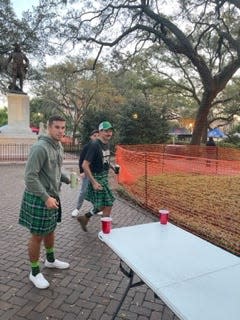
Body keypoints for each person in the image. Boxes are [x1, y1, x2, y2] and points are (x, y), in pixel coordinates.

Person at [19, 115, 71, 289]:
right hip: (39, 197)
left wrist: (67, 179)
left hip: (52, 196)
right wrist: (46, 197)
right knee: (37, 235)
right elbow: (30, 177)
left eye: (63, 128)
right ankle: (34, 272)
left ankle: (50, 260)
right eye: (57, 127)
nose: (60, 131)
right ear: (49, 128)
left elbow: (54, 170)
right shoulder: (40, 147)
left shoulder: (59, 146)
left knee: (50, 230)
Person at [77, 121, 116, 232]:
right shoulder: (94, 145)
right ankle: (105, 232)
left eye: (110, 131)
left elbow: (105, 161)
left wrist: (113, 167)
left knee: (102, 206)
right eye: (106, 131)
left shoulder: (107, 144)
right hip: (97, 179)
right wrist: (93, 182)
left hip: (104, 177)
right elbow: (85, 165)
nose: (109, 133)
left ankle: (85, 218)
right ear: (100, 132)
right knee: (108, 204)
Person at [71, 129, 99, 217]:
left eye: (98, 136)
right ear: (91, 137)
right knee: (83, 191)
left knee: (96, 191)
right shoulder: (87, 146)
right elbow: (81, 159)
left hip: (96, 173)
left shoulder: (100, 147)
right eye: (94, 136)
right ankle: (77, 209)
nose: (96, 137)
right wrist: (82, 171)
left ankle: (96, 208)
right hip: (87, 173)